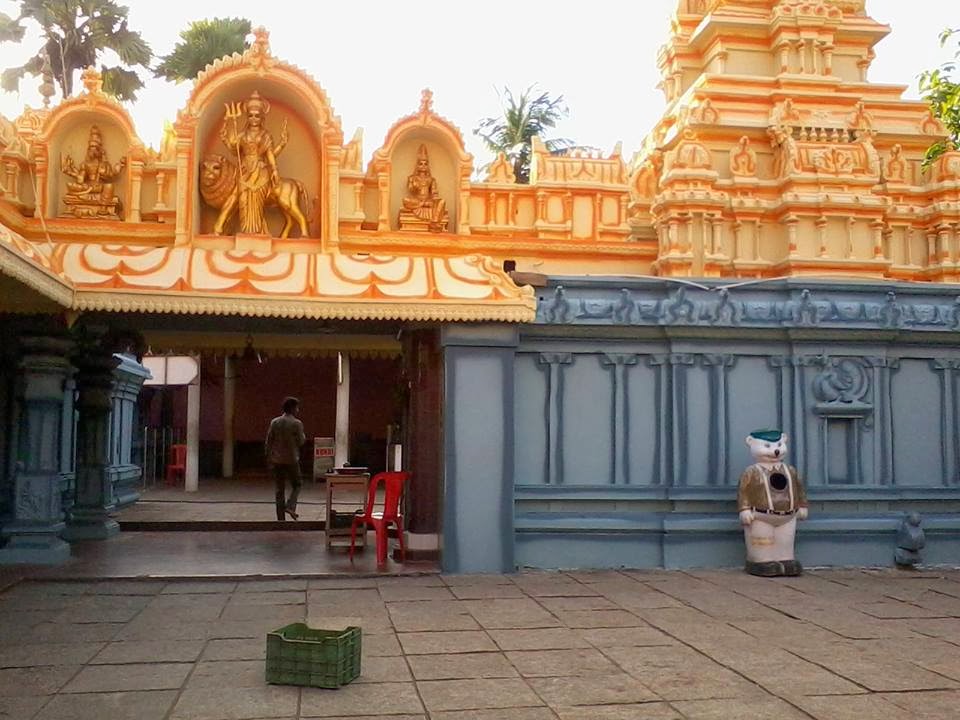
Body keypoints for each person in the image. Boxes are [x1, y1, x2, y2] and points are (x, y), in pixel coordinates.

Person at [219, 90, 280, 234]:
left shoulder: (266, 135)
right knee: (244, 201)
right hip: (245, 169)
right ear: (247, 117)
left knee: (257, 202)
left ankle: (257, 232)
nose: (254, 118)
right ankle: (246, 231)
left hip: (261, 171)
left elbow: (270, 154)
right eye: (251, 115)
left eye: (257, 116)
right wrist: (227, 127)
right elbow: (234, 150)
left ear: (262, 117)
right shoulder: (242, 135)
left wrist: (275, 170)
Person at [265, 396, 306, 521]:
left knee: (279, 489)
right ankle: (291, 506)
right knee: (297, 484)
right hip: (291, 459)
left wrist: (269, 458)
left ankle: (281, 519)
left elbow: (268, 441)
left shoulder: (275, 422)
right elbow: (301, 441)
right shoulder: (296, 423)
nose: (298, 410)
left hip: (276, 460)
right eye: (297, 408)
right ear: (293, 408)